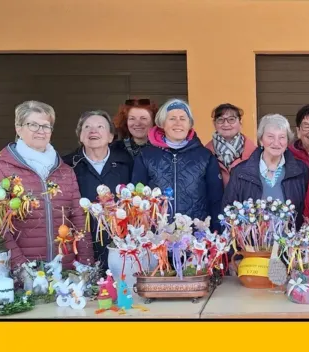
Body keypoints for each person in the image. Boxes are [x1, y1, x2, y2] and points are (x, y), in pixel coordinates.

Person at [0, 100, 94, 268]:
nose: (41, 131)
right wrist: (21, 267)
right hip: (21, 270)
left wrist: (86, 263)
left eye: (46, 126)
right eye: (33, 125)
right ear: (18, 128)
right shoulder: (0, 169)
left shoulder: (65, 171)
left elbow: (78, 218)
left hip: (64, 268)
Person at [131, 98, 223, 229]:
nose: (178, 123)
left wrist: (216, 231)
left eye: (183, 118)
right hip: (156, 234)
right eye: (172, 118)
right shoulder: (146, 156)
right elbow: (137, 198)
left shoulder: (205, 156)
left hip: (195, 234)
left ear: (190, 124)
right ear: (162, 124)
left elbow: (216, 199)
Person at [63, 110, 132, 268]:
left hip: (120, 245)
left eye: (100, 126)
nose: (93, 131)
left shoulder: (126, 163)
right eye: (87, 127)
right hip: (81, 244)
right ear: (80, 136)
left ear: (110, 136)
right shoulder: (68, 165)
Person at [223, 114, 309, 225]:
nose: (276, 142)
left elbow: (307, 212)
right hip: (251, 237)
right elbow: (228, 212)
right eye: (270, 136)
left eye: (282, 137)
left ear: (287, 141)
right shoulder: (240, 172)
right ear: (261, 140)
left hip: (291, 236)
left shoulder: (300, 171)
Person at [204, 103, 257, 187]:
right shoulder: (205, 153)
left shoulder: (255, 153)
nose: (226, 124)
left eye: (231, 119)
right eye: (220, 120)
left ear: (240, 122)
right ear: (214, 124)